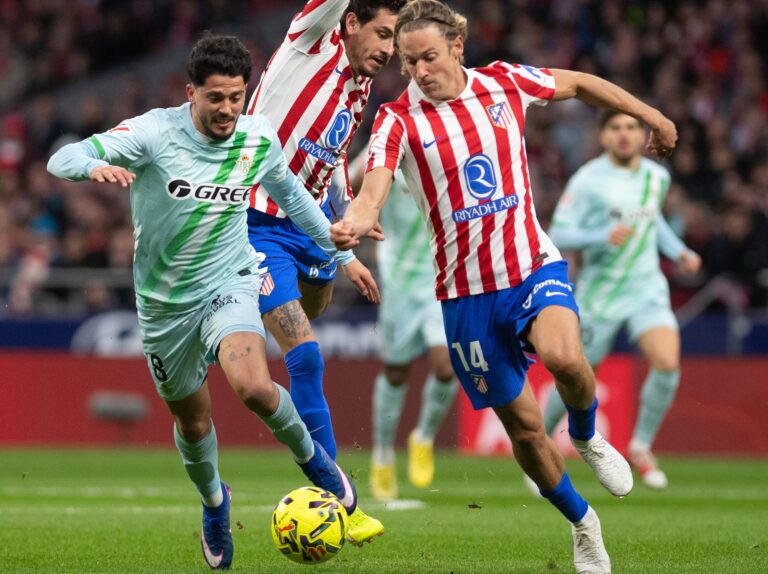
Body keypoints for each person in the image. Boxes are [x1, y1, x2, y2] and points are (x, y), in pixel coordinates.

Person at [330, 1, 678, 571]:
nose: (419, 71)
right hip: (464, 294)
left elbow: (584, 84)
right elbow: (376, 184)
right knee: (523, 427)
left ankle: (588, 436)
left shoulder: (505, 83)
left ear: (458, 47)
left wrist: (652, 115)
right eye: (409, 61)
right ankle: (582, 523)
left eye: (430, 57)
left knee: (566, 358)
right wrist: (363, 215)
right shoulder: (398, 119)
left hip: (530, 267)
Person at [47, 34, 375, 570]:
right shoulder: (154, 133)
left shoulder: (256, 139)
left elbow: (295, 200)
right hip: (163, 306)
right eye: (215, 97)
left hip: (230, 282)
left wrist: (342, 257)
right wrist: (92, 167)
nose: (227, 109)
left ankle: (317, 465)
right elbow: (64, 155)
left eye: (237, 97)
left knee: (254, 388)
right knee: (194, 425)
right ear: (191, 92)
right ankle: (215, 502)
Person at [244, 0, 406, 542]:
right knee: (306, 355)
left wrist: (345, 240)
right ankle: (339, 498)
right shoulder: (311, 42)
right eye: (383, 33)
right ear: (351, 22)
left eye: (396, 39)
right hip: (256, 221)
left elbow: (331, 157)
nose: (389, 50)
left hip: (313, 226)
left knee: (315, 310)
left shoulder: (359, 88)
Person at [540, 110, 701, 490]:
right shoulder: (588, 180)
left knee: (667, 361)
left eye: (632, 127)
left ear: (642, 135)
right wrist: (599, 235)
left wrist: (679, 251)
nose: (625, 134)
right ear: (603, 136)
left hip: (647, 289)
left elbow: (652, 222)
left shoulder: (656, 176)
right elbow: (559, 231)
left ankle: (641, 446)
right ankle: (541, 440)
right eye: (616, 127)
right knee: (576, 376)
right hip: (601, 294)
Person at [347, 152, 458, 500]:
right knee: (396, 371)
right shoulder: (391, 148)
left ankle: (423, 436)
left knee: (446, 365)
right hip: (399, 283)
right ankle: (382, 455)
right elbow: (351, 182)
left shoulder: (452, 149)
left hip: (442, 279)